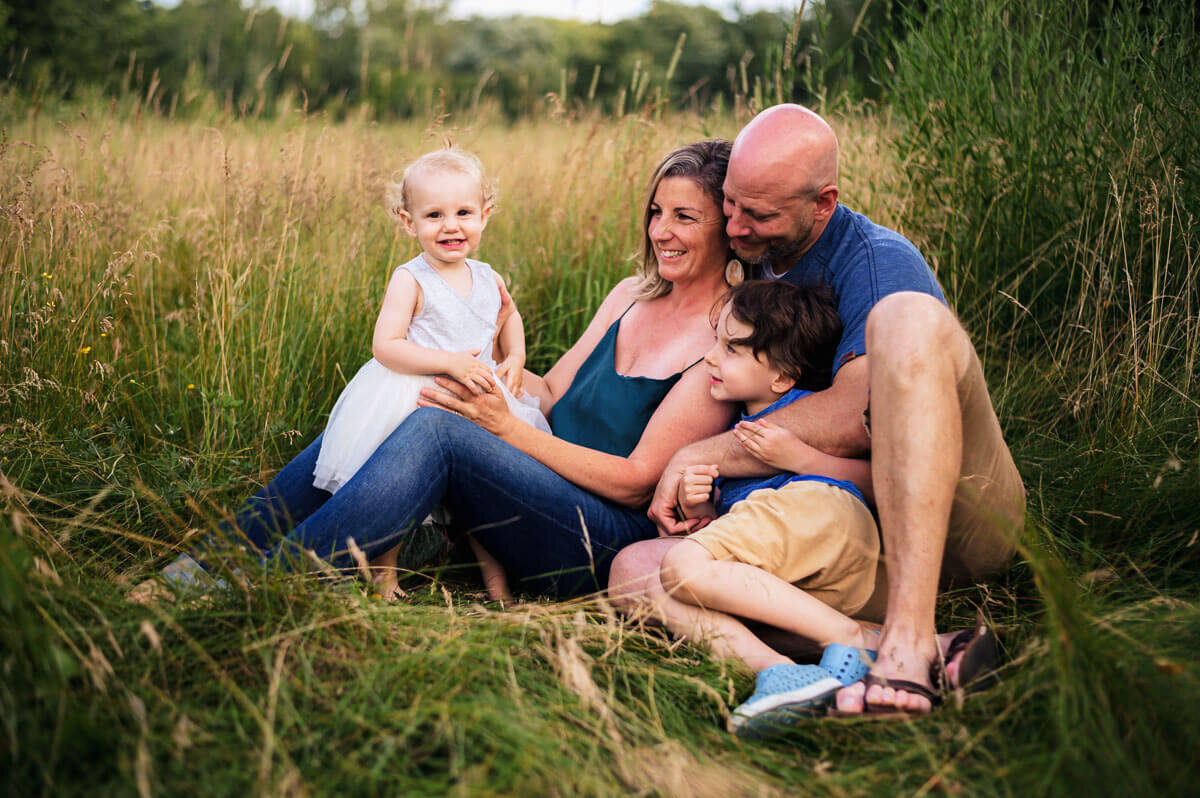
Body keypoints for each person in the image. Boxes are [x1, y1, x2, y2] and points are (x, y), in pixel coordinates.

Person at [140, 140, 739, 602]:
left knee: (440, 428)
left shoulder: (731, 333)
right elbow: (551, 392)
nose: (661, 230)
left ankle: (258, 590)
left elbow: (638, 482)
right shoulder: (631, 293)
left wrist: (504, 427)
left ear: (729, 224)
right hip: (530, 476)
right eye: (656, 212)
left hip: (602, 538)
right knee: (409, 397)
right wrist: (467, 364)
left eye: (685, 217)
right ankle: (201, 567)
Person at [609, 104, 1025, 719]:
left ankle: (908, 647)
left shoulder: (877, 262)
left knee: (904, 317)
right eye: (729, 204)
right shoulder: (755, 252)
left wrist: (705, 453)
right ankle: (841, 661)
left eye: (761, 214)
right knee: (639, 573)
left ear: (823, 203)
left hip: (957, 517)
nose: (738, 227)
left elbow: (857, 416)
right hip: (839, 538)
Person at [311, 147, 549, 600]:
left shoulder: (487, 275)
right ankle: (385, 573)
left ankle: (497, 584)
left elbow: (509, 316)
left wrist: (515, 356)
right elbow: (386, 346)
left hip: (479, 392)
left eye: (463, 212)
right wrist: (448, 361)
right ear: (408, 222)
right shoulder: (411, 278)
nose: (451, 226)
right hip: (418, 392)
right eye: (434, 215)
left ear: (485, 215)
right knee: (401, 493)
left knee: (483, 493)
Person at [654, 279, 884, 735]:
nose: (712, 358)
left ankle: (849, 641)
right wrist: (703, 506)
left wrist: (802, 459)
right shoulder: (732, 436)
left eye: (733, 349)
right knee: (671, 574)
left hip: (825, 513)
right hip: (813, 569)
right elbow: (752, 546)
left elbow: (882, 482)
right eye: (715, 342)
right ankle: (797, 670)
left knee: (680, 566)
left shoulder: (802, 414)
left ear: (781, 377)